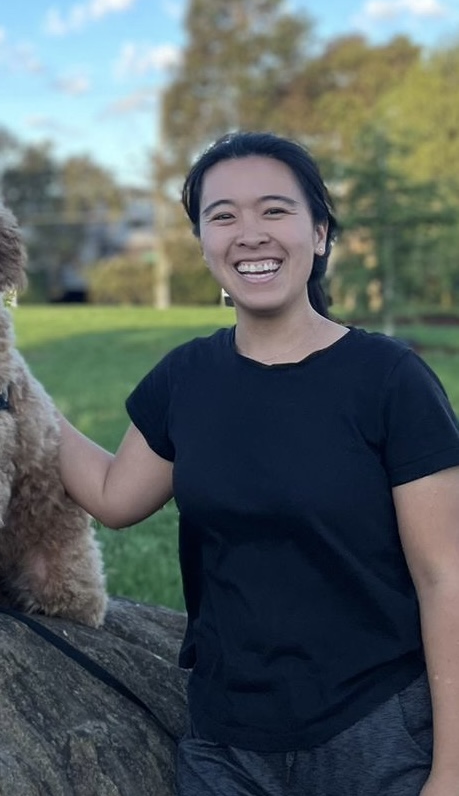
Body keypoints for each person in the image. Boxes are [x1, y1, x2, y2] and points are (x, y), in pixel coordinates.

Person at [57, 131, 459, 796]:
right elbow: (112, 495)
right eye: (222, 216)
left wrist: (450, 771)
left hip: (377, 732)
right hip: (227, 741)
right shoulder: (185, 377)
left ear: (320, 233)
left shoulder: (389, 380)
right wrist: (9, 387)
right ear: (204, 245)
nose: (249, 234)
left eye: (274, 210)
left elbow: (444, 577)